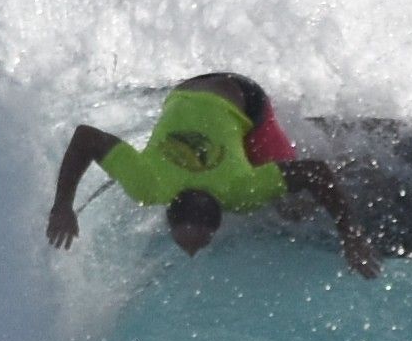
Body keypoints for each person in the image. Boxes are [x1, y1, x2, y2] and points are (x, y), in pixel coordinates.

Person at [46, 72, 381, 277]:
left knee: (292, 210)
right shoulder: (146, 183)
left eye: (199, 241)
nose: (192, 252)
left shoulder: (241, 190)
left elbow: (316, 172)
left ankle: (351, 159)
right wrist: (62, 205)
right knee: (265, 173)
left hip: (245, 97)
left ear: (223, 213)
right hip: (188, 89)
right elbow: (86, 137)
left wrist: (349, 234)